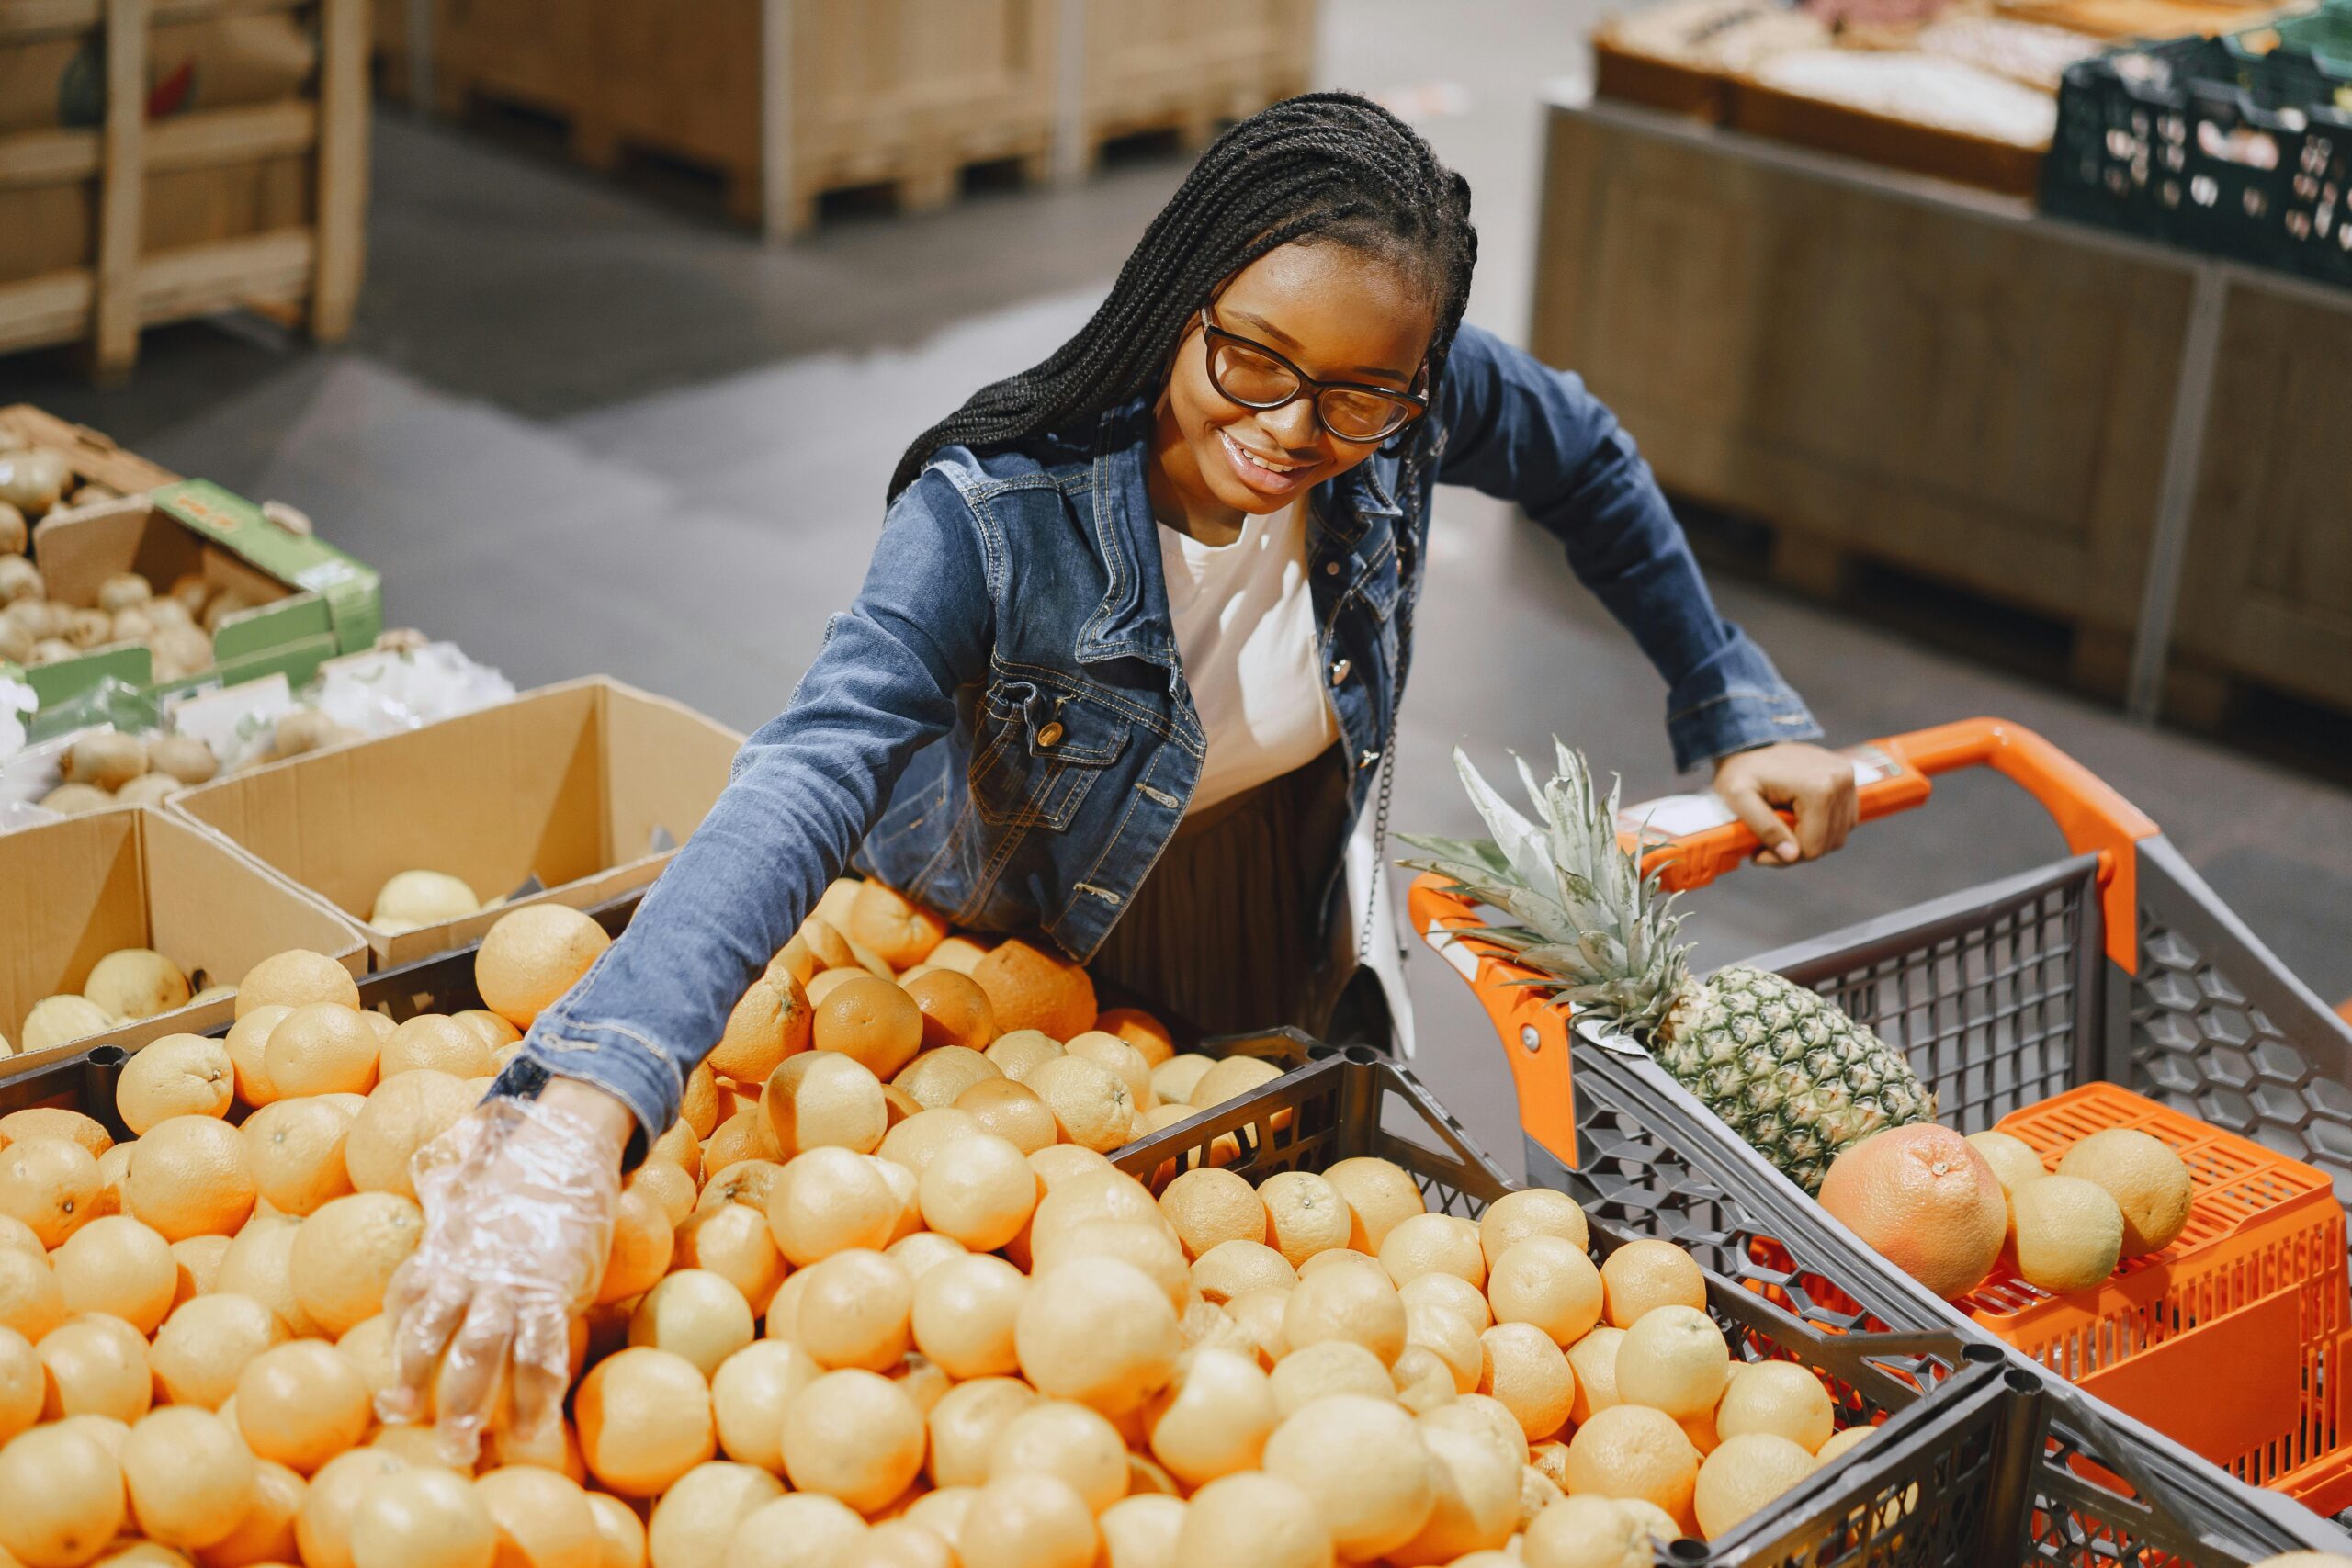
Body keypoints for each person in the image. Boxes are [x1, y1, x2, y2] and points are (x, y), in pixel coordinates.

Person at [377, 92, 1860, 1457]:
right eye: (1254, 360)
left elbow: (1584, 455)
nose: (1293, 432)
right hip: (998, 984)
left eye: (1360, 398)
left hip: (1271, 911)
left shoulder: (1393, 414)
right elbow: (810, 771)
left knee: (1230, 1336)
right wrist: (580, 1114)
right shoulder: (997, 517)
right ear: (1178, 290)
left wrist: (1734, 703)